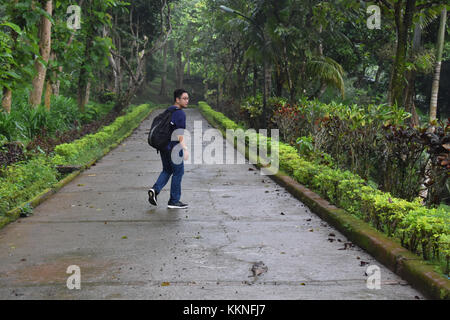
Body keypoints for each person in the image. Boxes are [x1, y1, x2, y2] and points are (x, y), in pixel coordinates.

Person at [148, 89, 189, 209]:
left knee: (167, 170)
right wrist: (185, 149)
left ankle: (155, 190)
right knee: (178, 172)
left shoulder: (168, 110)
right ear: (177, 99)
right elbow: (179, 133)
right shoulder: (180, 113)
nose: (187, 101)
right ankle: (174, 201)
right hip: (174, 148)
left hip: (163, 147)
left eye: (187, 98)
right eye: (184, 98)